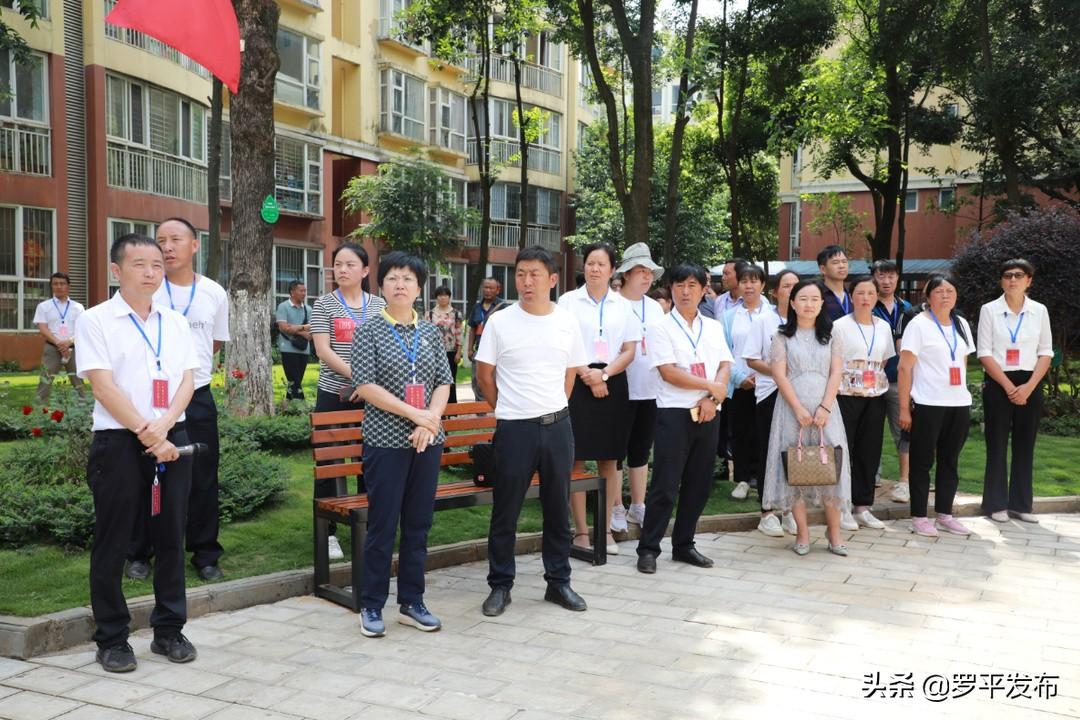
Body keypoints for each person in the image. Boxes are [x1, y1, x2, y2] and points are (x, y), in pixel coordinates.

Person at [76, 233, 198, 672]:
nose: (150, 272)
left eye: (156, 265)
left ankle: (169, 630)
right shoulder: (95, 320)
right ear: (116, 271)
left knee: (170, 536)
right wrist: (150, 434)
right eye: (139, 264)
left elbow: (188, 381)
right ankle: (111, 637)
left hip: (171, 438)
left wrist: (165, 429)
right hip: (120, 444)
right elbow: (103, 386)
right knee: (113, 541)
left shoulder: (175, 321)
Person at [476, 246, 589, 617]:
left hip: (557, 427)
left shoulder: (567, 322)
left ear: (552, 280)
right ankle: (500, 585)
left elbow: (570, 374)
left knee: (558, 510)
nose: (526, 281)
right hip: (514, 429)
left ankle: (558, 582)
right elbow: (484, 376)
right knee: (505, 511)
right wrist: (508, 406)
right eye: (521, 274)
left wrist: (553, 406)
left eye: (535, 274)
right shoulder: (500, 322)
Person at [351, 252, 453, 638]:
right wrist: (417, 416)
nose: (400, 285)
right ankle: (372, 605)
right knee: (383, 524)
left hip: (427, 441)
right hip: (386, 441)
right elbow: (366, 386)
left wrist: (431, 421)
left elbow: (443, 382)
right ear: (381, 285)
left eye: (408, 279)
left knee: (418, 524)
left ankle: (412, 602)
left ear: (419, 288)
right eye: (393, 278)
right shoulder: (370, 330)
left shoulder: (429, 331)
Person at [127, 218, 230, 583]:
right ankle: (140, 552)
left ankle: (205, 554)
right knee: (147, 475)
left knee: (203, 477)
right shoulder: (145, 290)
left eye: (175, 240)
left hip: (198, 396)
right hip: (151, 399)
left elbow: (213, 345)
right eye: (160, 241)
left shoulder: (214, 293)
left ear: (194, 245)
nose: (167, 247)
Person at [636, 264, 732, 575]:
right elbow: (669, 372)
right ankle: (648, 548)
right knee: (665, 484)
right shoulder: (660, 327)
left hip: (709, 413)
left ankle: (684, 544)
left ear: (705, 289)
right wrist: (709, 388)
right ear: (671, 289)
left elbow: (724, 366)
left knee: (699, 483)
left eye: (692, 285)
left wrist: (713, 399)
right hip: (674, 414)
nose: (686, 291)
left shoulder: (714, 327)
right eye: (679, 285)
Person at [558, 242, 640, 554]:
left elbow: (630, 350)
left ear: (612, 270)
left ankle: (604, 530)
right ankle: (580, 532)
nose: (594, 269)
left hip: (614, 382)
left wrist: (604, 375)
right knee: (575, 458)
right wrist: (586, 374)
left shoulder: (623, 306)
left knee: (609, 459)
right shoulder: (567, 302)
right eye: (590, 263)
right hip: (576, 380)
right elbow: (563, 343)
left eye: (601, 264)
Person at [761, 280, 851, 556]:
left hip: (827, 408)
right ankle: (802, 532)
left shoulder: (833, 334)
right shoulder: (781, 336)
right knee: (795, 469)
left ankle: (834, 532)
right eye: (803, 299)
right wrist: (798, 408)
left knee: (831, 468)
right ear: (792, 303)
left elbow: (837, 372)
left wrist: (824, 407)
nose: (809, 304)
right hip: (791, 409)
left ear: (822, 304)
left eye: (814, 299)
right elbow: (779, 373)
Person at [311, 242, 386, 560]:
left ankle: (368, 527)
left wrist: (369, 384)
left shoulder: (379, 305)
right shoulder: (324, 304)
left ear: (365, 271)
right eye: (337, 264)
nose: (342, 270)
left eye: (349, 264)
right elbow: (323, 350)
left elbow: (385, 348)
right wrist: (359, 378)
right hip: (333, 395)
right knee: (329, 464)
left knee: (370, 461)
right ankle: (328, 534)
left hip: (371, 398)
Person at [898, 274, 975, 537]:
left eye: (950, 290)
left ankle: (945, 514)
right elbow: (904, 368)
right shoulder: (918, 324)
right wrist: (904, 408)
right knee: (921, 462)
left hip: (958, 403)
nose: (945, 295)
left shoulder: (961, 323)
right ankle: (919, 517)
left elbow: (962, 363)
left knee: (950, 460)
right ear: (928, 297)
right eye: (939, 291)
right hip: (928, 402)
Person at [977, 259, 1053, 524]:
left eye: (1019, 275)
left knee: (1025, 445)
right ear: (1001, 280)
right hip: (999, 382)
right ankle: (995, 504)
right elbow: (984, 352)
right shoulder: (989, 310)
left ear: (1029, 280)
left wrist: (1029, 387)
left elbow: (1046, 352)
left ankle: (1021, 505)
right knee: (996, 444)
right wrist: (1010, 388)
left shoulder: (1039, 311)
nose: (1012, 280)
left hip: (1030, 382)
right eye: (1007, 275)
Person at [833, 276, 896, 531]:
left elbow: (883, 360)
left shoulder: (883, 326)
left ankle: (862, 506)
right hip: (845, 396)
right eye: (860, 292)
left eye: (871, 293)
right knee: (844, 450)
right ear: (852, 296)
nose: (866, 298)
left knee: (869, 451)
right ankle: (841, 506)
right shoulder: (839, 326)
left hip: (874, 397)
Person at [745, 269, 799, 537]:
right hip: (770, 393)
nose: (791, 290)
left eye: (795, 286)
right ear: (775, 291)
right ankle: (767, 512)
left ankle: (790, 509)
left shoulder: (808, 321)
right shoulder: (763, 321)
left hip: (801, 396)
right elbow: (752, 360)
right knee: (769, 450)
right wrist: (780, 372)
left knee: (795, 450)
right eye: (786, 286)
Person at [616, 242, 665, 529]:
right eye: (640, 272)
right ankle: (615, 507)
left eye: (650, 272)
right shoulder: (613, 304)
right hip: (620, 388)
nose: (647, 278)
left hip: (650, 389)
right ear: (625, 274)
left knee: (641, 451)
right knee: (614, 452)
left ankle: (638, 504)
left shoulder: (656, 309)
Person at [721, 264, 772, 501]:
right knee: (740, 432)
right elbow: (723, 352)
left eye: (754, 281)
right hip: (740, 383)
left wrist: (763, 374)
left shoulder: (772, 315)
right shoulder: (728, 317)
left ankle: (763, 478)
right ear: (738, 285)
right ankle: (742, 479)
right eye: (744, 281)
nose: (749, 286)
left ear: (763, 284)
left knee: (766, 433)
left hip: (769, 383)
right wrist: (740, 378)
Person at [871, 260, 913, 503]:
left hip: (899, 380)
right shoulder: (866, 304)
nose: (886, 281)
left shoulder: (908, 309)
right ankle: (872, 474)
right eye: (881, 276)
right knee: (871, 429)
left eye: (891, 276)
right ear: (875, 277)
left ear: (897, 278)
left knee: (902, 431)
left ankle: (904, 481)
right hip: (871, 380)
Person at [33, 272, 87, 402]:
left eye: (62, 284)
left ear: (68, 286)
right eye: (55, 284)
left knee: (78, 380)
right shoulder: (44, 306)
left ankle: (84, 409)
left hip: (73, 348)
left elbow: (83, 329)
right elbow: (42, 328)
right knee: (46, 379)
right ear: (51, 286)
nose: (59, 286)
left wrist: (68, 342)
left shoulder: (78, 307)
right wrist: (59, 343)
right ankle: (40, 409)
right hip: (52, 348)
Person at [467, 277, 508, 401]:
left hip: (498, 351)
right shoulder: (477, 307)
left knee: (496, 380)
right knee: (478, 380)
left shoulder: (504, 307)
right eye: (485, 287)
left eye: (491, 288)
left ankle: (495, 408)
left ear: (498, 290)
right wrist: (469, 349)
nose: (488, 290)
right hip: (479, 350)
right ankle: (480, 411)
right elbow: (472, 329)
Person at [426, 286, 464, 405]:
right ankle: (436, 407)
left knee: (451, 379)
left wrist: (459, 352)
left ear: (449, 297)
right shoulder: (430, 314)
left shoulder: (456, 313)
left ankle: (452, 408)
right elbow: (425, 334)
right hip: (434, 352)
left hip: (451, 351)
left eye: (445, 295)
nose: (443, 298)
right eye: (440, 295)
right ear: (436, 297)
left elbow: (459, 332)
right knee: (435, 380)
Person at [276, 280, 312, 401]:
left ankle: (288, 407)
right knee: (295, 381)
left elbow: (312, 330)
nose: (304, 293)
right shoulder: (283, 307)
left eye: (305, 291)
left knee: (295, 381)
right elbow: (284, 327)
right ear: (292, 292)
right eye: (301, 291)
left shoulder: (308, 309)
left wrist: (294, 328)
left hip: (304, 349)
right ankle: (301, 406)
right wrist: (303, 328)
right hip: (287, 348)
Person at [818, 246, 852, 320]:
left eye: (844, 261)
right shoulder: (817, 295)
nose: (842, 266)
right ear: (823, 269)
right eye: (835, 262)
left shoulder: (852, 294)